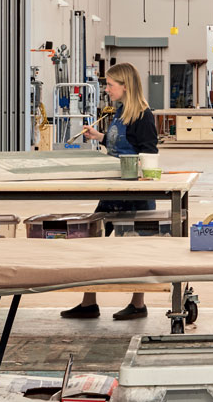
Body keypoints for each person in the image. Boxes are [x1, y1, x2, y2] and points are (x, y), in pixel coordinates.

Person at [61, 63, 158, 321]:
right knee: (93, 243)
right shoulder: (120, 111)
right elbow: (119, 143)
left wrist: (137, 176)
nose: (107, 89)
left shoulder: (143, 116)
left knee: (135, 250)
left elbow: (149, 154)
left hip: (134, 195)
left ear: (125, 86)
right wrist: (99, 137)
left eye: (111, 85)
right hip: (112, 190)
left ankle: (138, 304)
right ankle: (88, 303)